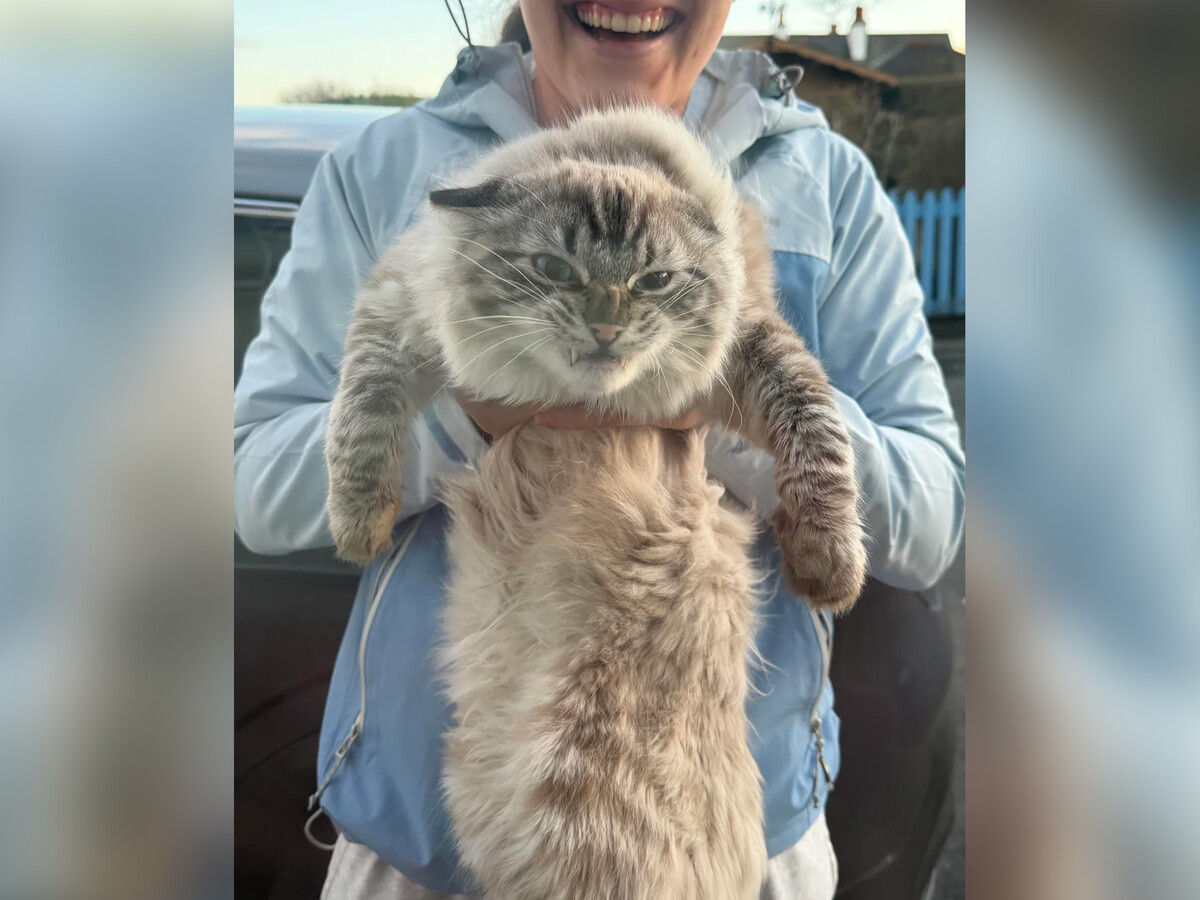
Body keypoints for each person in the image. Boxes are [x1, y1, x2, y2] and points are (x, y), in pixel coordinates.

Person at [233, 2, 965, 898]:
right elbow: (255, 483)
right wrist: (468, 411)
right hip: (417, 854)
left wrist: (716, 403)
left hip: (728, 847)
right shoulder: (382, 172)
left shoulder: (827, 184)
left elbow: (932, 520)